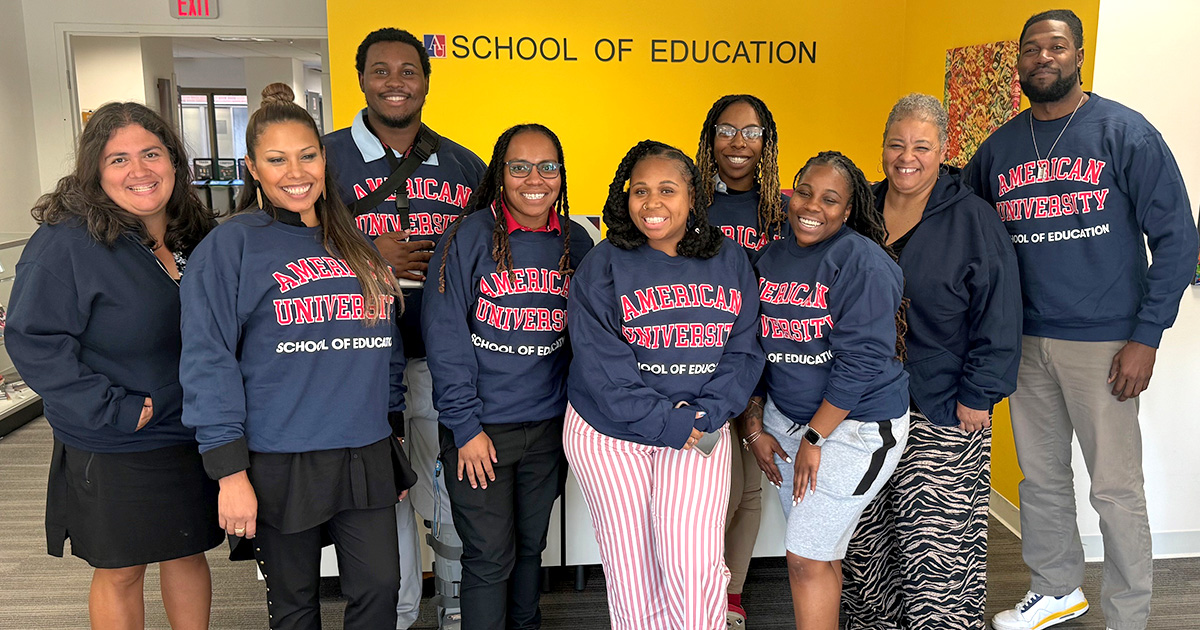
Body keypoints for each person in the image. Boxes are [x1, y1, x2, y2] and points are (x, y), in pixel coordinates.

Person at [964, 10, 1198, 630]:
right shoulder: (999, 149)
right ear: (1018, 62)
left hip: (1106, 344)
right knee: (1040, 478)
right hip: (1027, 340)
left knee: (1114, 490)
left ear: (1079, 54)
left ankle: (1128, 614)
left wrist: (1146, 336)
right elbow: (973, 241)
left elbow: (1177, 240)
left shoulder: (1124, 132)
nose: (1044, 57)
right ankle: (1055, 587)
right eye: (1032, 48)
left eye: (1057, 46)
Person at [179, 84, 417, 630]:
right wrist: (229, 472)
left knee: (381, 588)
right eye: (276, 159)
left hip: (363, 447)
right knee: (294, 603)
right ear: (252, 168)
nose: (296, 171)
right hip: (279, 455)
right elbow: (207, 359)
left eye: (307, 154)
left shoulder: (355, 240)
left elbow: (385, 346)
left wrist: (392, 435)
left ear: (324, 157)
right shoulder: (231, 246)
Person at [5, 102, 222, 630]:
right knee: (122, 569)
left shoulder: (194, 231)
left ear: (174, 159)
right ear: (95, 172)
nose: (140, 170)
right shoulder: (67, 243)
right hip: (120, 437)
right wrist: (117, 409)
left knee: (187, 553)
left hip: (193, 429)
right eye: (118, 159)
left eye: (151, 153)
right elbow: (32, 339)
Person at [563, 140, 764, 630]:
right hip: (609, 435)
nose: (652, 203)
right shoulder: (604, 262)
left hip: (699, 429)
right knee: (633, 574)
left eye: (667, 190)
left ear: (693, 196)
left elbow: (744, 348)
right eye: (640, 191)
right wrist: (666, 419)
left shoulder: (729, 258)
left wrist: (709, 412)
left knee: (694, 568)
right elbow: (600, 360)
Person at [323, 28, 487, 629]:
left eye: (409, 71)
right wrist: (366, 255)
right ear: (362, 77)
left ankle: (455, 604)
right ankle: (395, 613)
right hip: (358, 368)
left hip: (447, 363)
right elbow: (282, 252)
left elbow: (490, 258)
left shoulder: (465, 164)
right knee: (381, 495)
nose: (396, 82)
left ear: (427, 80)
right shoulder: (325, 157)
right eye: (382, 70)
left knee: (451, 492)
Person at [839, 94, 1022, 630]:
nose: (906, 157)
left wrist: (978, 394)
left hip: (940, 407)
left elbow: (999, 314)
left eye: (921, 146)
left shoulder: (973, 220)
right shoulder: (858, 212)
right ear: (882, 146)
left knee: (935, 553)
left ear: (942, 150)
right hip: (862, 410)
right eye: (896, 143)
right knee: (866, 545)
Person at [423, 123, 594, 629]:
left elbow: (595, 336)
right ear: (501, 174)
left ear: (562, 176)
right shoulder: (467, 237)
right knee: (488, 557)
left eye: (548, 167)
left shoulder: (575, 242)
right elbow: (446, 338)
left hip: (547, 429)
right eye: (520, 167)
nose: (534, 179)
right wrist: (466, 428)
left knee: (529, 549)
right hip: (481, 432)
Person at [742, 151, 910, 630]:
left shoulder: (862, 263)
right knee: (819, 555)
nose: (812, 206)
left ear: (849, 209)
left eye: (830, 199)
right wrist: (755, 424)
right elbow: (754, 347)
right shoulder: (771, 256)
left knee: (803, 557)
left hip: (854, 428)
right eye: (805, 192)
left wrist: (815, 437)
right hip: (785, 422)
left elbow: (861, 363)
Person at [694, 94, 788, 628]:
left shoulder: (786, 206)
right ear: (710, 138)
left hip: (770, 360)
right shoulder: (692, 202)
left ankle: (731, 594)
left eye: (751, 132)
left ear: (766, 142)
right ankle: (702, 584)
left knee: (748, 485)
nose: (738, 143)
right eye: (726, 130)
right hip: (705, 361)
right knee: (714, 487)